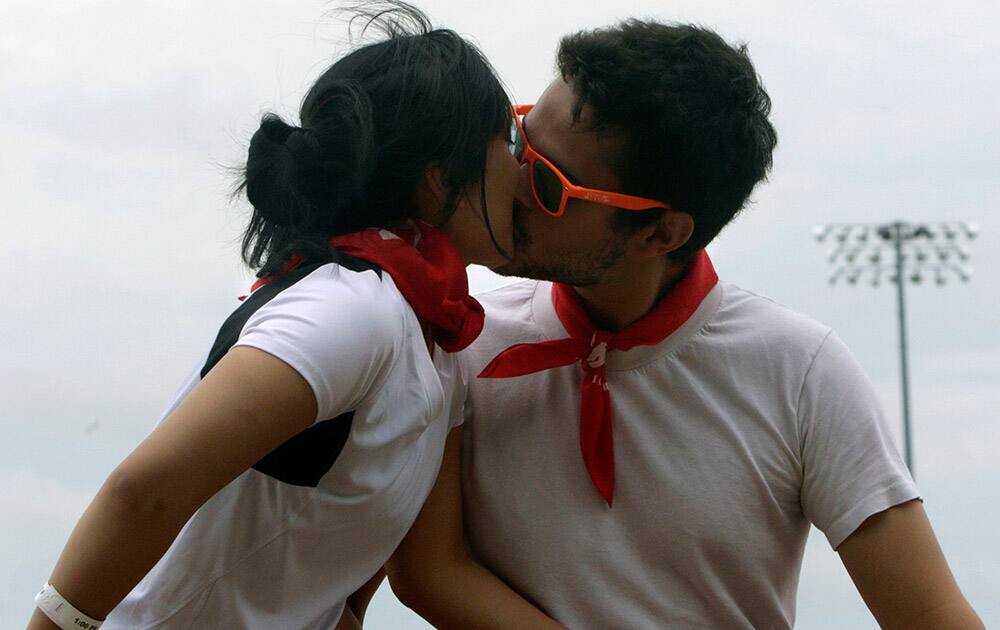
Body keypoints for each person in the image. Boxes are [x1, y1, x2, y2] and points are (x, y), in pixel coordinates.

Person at [389, 19, 984, 629]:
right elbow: (423, 573)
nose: (509, 182)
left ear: (660, 231)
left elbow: (933, 617)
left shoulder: (800, 372)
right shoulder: (459, 341)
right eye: (518, 140)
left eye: (548, 182)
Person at [27, 5, 563, 629]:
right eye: (509, 140)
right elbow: (145, 489)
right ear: (441, 181)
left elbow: (417, 569)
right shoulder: (351, 310)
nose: (524, 166)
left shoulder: (436, 345)